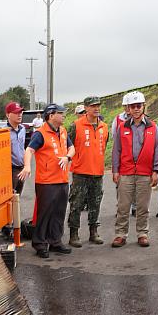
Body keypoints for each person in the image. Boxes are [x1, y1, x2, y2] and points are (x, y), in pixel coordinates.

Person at [18, 103, 74, 258]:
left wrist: (67, 157)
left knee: (59, 212)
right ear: (51, 115)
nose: (63, 116)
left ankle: (55, 241)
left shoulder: (62, 131)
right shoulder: (40, 133)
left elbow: (72, 148)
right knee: (44, 214)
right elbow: (29, 150)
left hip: (62, 179)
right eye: (61, 113)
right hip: (46, 181)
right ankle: (40, 244)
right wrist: (27, 166)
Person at [111, 91, 158, 247]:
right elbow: (116, 150)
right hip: (125, 172)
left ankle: (142, 233)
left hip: (145, 173)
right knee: (123, 206)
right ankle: (120, 234)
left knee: (143, 206)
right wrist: (115, 170)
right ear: (129, 109)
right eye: (133, 106)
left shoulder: (153, 127)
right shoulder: (122, 127)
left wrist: (156, 171)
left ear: (143, 107)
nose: (136, 109)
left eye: (139, 106)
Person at [68, 96, 109, 247]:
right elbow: (69, 145)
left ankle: (94, 232)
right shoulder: (76, 125)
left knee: (95, 202)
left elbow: (104, 145)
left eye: (98, 105)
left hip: (97, 172)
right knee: (76, 203)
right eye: (93, 106)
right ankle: (74, 233)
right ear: (86, 108)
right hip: (80, 172)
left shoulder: (104, 126)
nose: (96, 108)